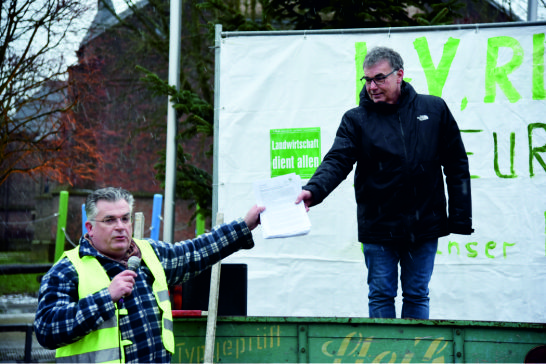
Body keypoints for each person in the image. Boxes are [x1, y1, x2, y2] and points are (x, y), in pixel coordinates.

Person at [295, 46, 473, 319]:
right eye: (367, 80)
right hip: (378, 228)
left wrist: (459, 219)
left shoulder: (434, 109)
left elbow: (457, 164)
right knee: (381, 295)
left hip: (424, 225)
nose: (372, 86)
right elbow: (337, 160)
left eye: (379, 78)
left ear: (399, 75)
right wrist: (313, 190)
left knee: (416, 293)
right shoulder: (356, 119)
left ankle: (414, 359)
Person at [34, 187, 264, 363]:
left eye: (125, 218)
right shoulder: (67, 270)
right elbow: (47, 330)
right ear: (90, 228)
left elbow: (196, 252)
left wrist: (245, 225)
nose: (120, 226)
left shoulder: (149, 254)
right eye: (109, 220)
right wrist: (106, 297)